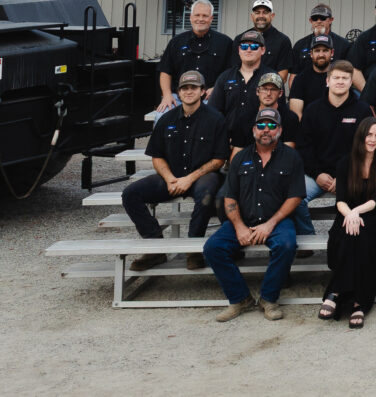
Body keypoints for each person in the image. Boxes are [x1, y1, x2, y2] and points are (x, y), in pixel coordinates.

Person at [203, 108, 303, 322]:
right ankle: (240, 298)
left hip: (278, 220)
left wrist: (270, 224)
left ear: (280, 130)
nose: (265, 130)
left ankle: (268, 298)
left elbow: (295, 197)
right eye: (261, 125)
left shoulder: (292, 157)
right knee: (213, 247)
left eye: (271, 125)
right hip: (244, 219)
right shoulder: (240, 158)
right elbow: (229, 197)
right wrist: (239, 226)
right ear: (253, 130)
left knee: (286, 245)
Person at [123, 70, 227, 272]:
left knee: (207, 195)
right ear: (178, 92)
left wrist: (189, 179)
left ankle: (193, 250)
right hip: (172, 177)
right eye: (184, 88)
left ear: (203, 91)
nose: (189, 92)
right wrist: (170, 178)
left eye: (194, 88)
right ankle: (155, 248)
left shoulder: (216, 120)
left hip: (203, 176)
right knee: (130, 193)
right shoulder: (166, 120)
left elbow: (219, 159)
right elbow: (157, 156)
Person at [320, 116, 376, 329]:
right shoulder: (345, 162)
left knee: (364, 237)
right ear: (361, 136)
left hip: (374, 215)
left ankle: (342, 295)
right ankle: (353, 298)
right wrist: (350, 214)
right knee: (345, 236)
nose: (373, 139)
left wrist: (356, 212)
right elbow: (340, 199)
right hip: (347, 213)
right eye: (369, 134)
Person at [297, 60, 372, 236]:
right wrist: (317, 174)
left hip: (351, 174)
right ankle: (307, 237)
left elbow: (366, 148)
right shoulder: (312, 110)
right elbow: (304, 148)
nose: (340, 81)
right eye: (336, 77)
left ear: (351, 81)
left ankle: (346, 238)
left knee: (364, 200)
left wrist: (344, 176)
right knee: (294, 196)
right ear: (327, 81)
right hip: (317, 175)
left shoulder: (363, 111)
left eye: (345, 78)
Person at [156, 0, 232, 112]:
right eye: (197, 15)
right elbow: (165, 72)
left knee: (211, 121)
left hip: (210, 97)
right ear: (190, 17)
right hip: (179, 98)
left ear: (211, 19)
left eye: (205, 16)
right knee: (160, 117)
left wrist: (217, 88)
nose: (200, 19)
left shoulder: (225, 43)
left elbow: (232, 72)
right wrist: (167, 95)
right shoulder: (176, 42)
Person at [208, 29, 276, 138]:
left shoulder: (272, 78)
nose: (248, 50)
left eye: (254, 47)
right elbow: (213, 112)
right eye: (244, 47)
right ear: (239, 50)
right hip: (227, 139)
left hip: (259, 139)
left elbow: (277, 113)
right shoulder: (225, 77)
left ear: (262, 50)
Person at [226, 72, 299, 158]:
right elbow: (237, 153)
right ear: (257, 91)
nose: (268, 93)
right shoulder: (244, 118)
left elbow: (289, 154)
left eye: (273, 89)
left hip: (279, 166)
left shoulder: (290, 118)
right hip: (248, 165)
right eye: (264, 89)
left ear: (280, 93)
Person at [225, 0, 292, 80]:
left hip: (269, 90)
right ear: (252, 16)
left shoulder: (283, 40)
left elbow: (283, 75)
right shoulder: (240, 39)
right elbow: (234, 69)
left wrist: (262, 88)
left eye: (265, 12)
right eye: (257, 13)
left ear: (272, 16)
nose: (261, 16)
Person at [288, 33, 336, 119]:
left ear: (332, 53)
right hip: (308, 127)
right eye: (317, 51)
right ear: (311, 53)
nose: (321, 55)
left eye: (325, 50)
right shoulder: (300, 79)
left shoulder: (338, 78)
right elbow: (296, 115)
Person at [292, 2, 351, 69]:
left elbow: (349, 72)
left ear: (331, 20)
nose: (318, 21)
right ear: (311, 21)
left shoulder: (344, 45)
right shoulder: (300, 45)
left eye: (323, 18)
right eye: (315, 18)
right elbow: (294, 75)